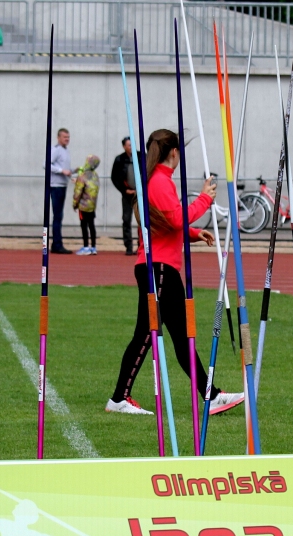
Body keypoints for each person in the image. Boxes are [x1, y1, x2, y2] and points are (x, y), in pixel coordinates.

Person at [107, 129, 245, 416]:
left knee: (182, 339)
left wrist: (193, 234)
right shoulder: (159, 182)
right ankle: (119, 397)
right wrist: (205, 199)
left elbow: (169, 226)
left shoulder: (160, 181)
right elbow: (175, 219)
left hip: (162, 268)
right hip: (158, 269)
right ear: (173, 152)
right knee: (146, 333)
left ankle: (212, 395)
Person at [111, 137, 140, 256]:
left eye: (132, 145)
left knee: (141, 221)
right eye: (128, 145)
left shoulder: (142, 156)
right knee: (126, 220)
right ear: (124, 146)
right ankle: (128, 246)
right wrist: (124, 190)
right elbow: (114, 178)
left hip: (140, 195)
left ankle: (141, 246)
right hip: (127, 195)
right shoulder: (119, 159)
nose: (131, 147)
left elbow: (149, 172)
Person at [47, 128, 73, 254]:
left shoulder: (65, 151)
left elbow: (65, 169)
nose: (67, 139)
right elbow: (46, 164)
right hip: (56, 186)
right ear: (58, 137)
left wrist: (72, 172)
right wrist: (61, 171)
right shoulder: (56, 150)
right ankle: (57, 244)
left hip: (63, 185)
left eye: (68, 137)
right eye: (64, 137)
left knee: (59, 216)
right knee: (57, 216)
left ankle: (56, 243)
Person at [71, 155, 101, 256]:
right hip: (92, 205)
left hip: (83, 205)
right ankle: (93, 247)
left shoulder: (82, 176)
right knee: (91, 225)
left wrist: (75, 204)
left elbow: (78, 191)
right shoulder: (95, 175)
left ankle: (85, 246)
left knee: (84, 225)